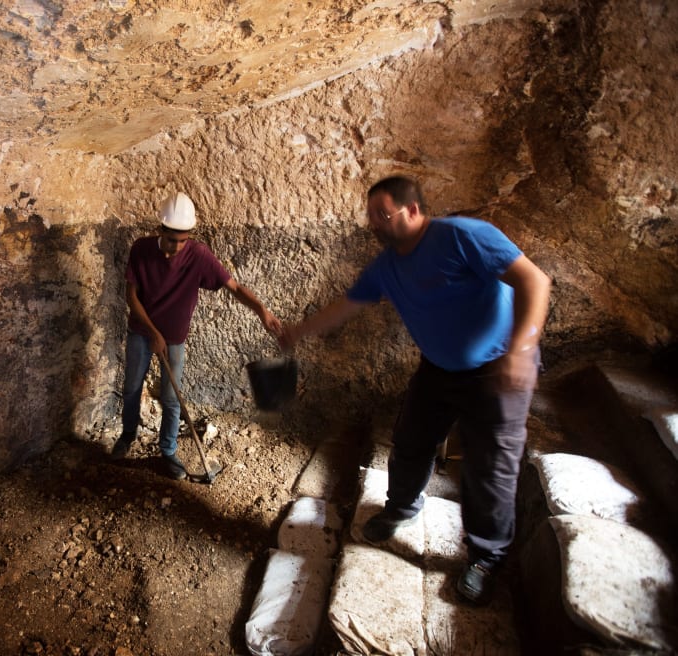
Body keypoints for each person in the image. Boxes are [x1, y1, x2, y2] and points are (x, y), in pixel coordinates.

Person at [280, 176, 550, 605]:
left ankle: (485, 556)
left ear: (412, 210)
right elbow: (347, 305)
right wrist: (298, 332)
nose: (373, 224)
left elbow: (534, 282)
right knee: (410, 441)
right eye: (370, 215)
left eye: (381, 214)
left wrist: (521, 350)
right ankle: (403, 507)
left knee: (489, 467)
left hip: (497, 367)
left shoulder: (464, 236)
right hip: (439, 369)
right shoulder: (386, 267)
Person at [111, 191, 283, 480]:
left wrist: (261, 309)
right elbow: (132, 296)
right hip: (142, 332)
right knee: (131, 388)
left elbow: (235, 287)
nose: (177, 246)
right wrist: (153, 332)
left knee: (171, 397)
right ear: (160, 230)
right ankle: (128, 434)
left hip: (175, 338)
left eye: (183, 239)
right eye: (172, 239)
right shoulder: (141, 249)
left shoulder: (199, 255)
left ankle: (168, 452)